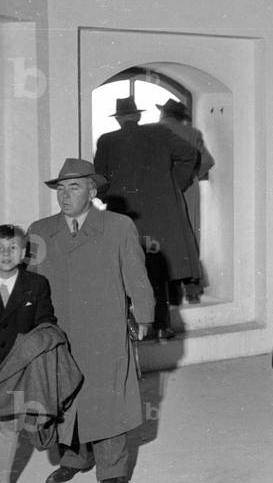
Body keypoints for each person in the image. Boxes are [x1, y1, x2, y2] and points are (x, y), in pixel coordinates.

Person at [27, 158, 155, 483]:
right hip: (58, 332)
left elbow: (136, 276)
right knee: (64, 397)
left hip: (105, 330)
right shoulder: (40, 231)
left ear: (92, 190)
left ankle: (112, 471)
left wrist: (144, 314)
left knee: (108, 398)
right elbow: (30, 285)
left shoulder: (118, 226)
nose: (65, 195)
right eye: (61, 188)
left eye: (74, 187)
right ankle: (75, 457)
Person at [94, 96, 199, 338]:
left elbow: (99, 179)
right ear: (139, 116)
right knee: (157, 268)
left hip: (124, 214)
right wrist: (176, 184)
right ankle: (163, 326)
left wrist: (107, 196)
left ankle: (132, 327)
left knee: (127, 268)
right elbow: (190, 154)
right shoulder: (160, 133)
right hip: (161, 213)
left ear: (119, 119)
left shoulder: (107, 140)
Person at [0, 224, 59, 482]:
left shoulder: (36, 284)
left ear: (24, 253)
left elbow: (46, 321)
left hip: (16, 371)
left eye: (13, 247)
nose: (5, 254)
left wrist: (36, 343)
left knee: (8, 428)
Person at [157, 98, 214, 304]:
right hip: (187, 191)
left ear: (163, 114)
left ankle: (168, 291)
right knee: (190, 235)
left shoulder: (151, 131)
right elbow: (207, 161)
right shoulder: (193, 133)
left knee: (161, 238)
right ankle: (192, 287)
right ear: (181, 117)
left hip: (159, 192)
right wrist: (189, 176)